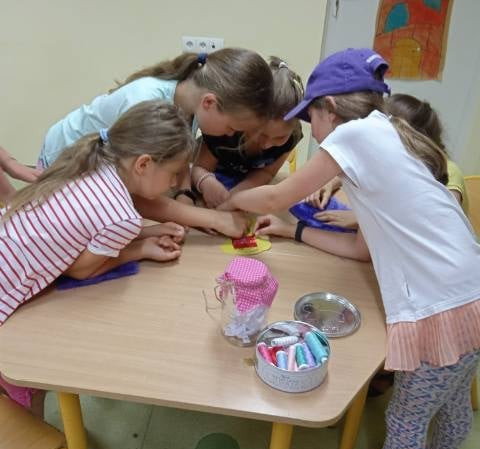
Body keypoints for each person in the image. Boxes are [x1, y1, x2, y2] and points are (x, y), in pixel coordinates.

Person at [218, 48, 480, 449]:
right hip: (471, 292)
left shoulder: (353, 135)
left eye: (311, 119)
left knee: (405, 420)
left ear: (330, 108)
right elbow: (361, 249)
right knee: (451, 403)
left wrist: (229, 200)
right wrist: (292, 232)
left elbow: (277, 196)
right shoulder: (387, 132)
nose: (314, 132)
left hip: (442, 308)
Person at [0, 100, 196, 417]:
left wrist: (149, 232)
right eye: (173, 173)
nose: (174, 184)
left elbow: (81, 229)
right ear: (143, 164)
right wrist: (142, 249)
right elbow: (82, 271)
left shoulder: (93, 160)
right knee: (28, 383)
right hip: (6, 288)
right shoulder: (123, 216)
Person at [37, 48, 273, 237]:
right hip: (63, 164)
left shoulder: (188, 103)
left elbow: (178, 153)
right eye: (232, 127)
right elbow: (129, 194)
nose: (230, 135)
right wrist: (213, 219)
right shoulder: (145, 102)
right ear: (209, 103)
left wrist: (185, 194)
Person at [304, 93, 469, 229]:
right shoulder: (396, 161)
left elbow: (435, 222)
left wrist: (360, 219)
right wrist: (329, 183)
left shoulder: (450, 171)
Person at [192, 56, 304, 208]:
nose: (267, 144)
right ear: (247, 117)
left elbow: (267, 173)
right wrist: (205, 181)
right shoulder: (226, 130)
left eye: (280, 137)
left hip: (244, 184)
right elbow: (199, 168)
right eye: (261, 134)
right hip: (212, 177)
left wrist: (236, 197)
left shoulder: (292, 137)